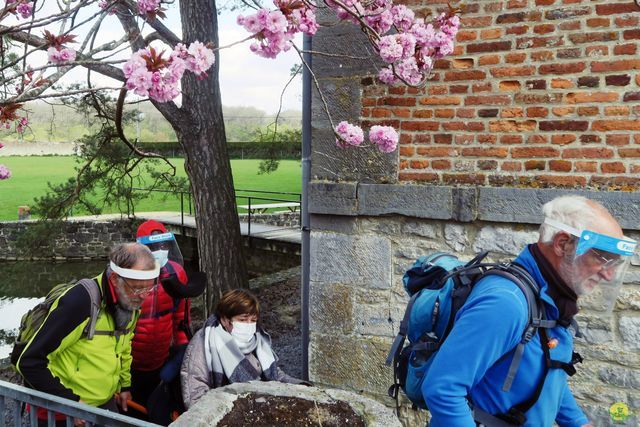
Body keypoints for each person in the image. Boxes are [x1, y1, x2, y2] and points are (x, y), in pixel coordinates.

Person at [422, 195, 637, 427]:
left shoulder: (550, 297)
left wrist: (577, 422)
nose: (608, 274)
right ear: (563, 244)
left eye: (614, 263)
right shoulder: (506, 302)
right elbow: (443, 390)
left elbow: (547, 369)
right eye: (603, 258)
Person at [16, 243, 160, 426]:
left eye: (149, 289)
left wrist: (125, 386)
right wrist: (71, 403)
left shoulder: (128, 302)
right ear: (115, 279)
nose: (143, 297)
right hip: (62, 411)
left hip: (102, 403)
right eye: (138, 288)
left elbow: (123, 347)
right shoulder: (80, 302)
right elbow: (29, 361)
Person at [180, 289, 307, 409]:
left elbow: (275, 374)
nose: (249, 325)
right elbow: (195, 395)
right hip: (229, 409)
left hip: (260, 404)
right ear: (225, 320)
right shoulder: (204, 342)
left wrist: (302, 387)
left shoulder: (257, 339)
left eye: (253, 320)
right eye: (242, 320)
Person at [129, 220, 193, 413]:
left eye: (163, 245)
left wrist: (182, 349)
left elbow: (181, 316)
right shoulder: (129, 275)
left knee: (157, 408)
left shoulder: (176, 272)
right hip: (130, 363)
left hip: (161, 357)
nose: (159, 250)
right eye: (153, 246)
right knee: (131, 410)